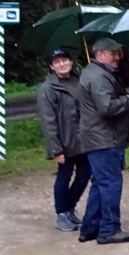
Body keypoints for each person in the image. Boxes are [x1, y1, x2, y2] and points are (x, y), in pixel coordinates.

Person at [77, 38, 129, 244]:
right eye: (113, 53)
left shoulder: (97, 73)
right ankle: (109, 230)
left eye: (118, 53)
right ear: (100, 55)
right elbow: (107, 107)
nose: (117, 57)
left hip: (100, 137)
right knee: (110, 184)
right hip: (105, 139)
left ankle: (90, 228)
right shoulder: (98, 76)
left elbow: (104, 100)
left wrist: (126, 93)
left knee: (99, 183)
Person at [37, 49, 91, 231]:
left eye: (65, 60)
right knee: (64, 175)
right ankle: (62, 213)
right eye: (57, 62)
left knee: (85, 174)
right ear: (52, 66)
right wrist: (56, 149)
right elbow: (48, 121)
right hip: (64, 141)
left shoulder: (81, 81)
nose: (62, 64)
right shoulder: (47, 89)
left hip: (84, 138)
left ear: (71, 62)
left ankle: (70, 208)